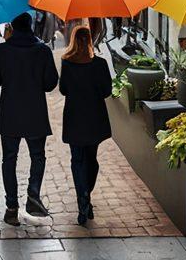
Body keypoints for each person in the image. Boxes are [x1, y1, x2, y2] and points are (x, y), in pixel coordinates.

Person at [0, 12, 58, 225]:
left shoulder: (1, 50)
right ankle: (33, 193)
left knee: (9, 159)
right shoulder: (42, 50)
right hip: (35, 112)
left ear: (12, 28)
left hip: (10, 113)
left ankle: (11, 206)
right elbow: (50, 84)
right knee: (38, 156)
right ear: (31, 26)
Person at [59, 25, 113, 226]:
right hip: (94, 118)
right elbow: (107, 91)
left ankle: (82, 197)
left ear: (73, 40)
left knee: (77, 159)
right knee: (91, 159)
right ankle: (85, 196)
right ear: (90, 40)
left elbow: (63, 89)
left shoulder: (67, 63)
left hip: (74, 117)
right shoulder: (100, 64)